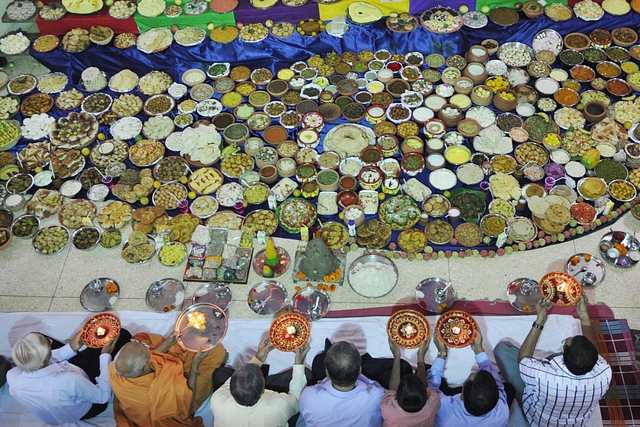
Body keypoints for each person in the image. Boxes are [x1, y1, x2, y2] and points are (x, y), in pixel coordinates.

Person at [494, 295, 612, 427]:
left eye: (565, 343)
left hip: (534, 420)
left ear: (564, 357)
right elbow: (597, 354)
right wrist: (584, 315)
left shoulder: (543, 375)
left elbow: (524, 359)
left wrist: (540, 320)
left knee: (502, 350)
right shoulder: (604, 374)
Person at [7, 328, 128, 425]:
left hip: (66, 379)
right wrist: (105, 355)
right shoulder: (70, 381)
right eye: (48, 344)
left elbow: (40, 362)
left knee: (34, 335)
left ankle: (76, 351)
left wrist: (71, 347)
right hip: (90, 404)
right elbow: (103, 395)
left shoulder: (12, 376)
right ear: (46, 357)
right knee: (122, 335)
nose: (50, 343)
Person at [109, 331, 226, 427]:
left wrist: (168, 343)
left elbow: (151, 358)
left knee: (143, 338)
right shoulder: (161, 392)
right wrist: (195, 364)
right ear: (146, 366)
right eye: (146, 350)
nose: (149, 350)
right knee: (216, 352)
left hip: (165, 383)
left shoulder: (114, 368)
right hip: (176, 407)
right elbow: (188, 402)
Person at [211, 337, 311, 427]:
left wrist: (259, 356)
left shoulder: (218, 400)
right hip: (276, 413)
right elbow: (297, 399)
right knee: (305, 374)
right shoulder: (279, 407)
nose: (240, 367)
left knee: (220, 373)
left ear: (231, 390)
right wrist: (299, 361)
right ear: (263, 390)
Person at [428, 328, 510, 427]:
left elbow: (431, 391)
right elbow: (498, 384)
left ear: (461, 395)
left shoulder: (443, 411)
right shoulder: (502, 411)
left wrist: (442, 353)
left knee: (430, 372)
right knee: (509, 389)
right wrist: (478, 349)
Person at [297, 340, 386, 427]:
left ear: (327, 373)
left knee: (319, 360)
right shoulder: (377, 396)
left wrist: (299, 363)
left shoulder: (309, 396)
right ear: (360, 370)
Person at [380, 337, 440, 427]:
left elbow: (392, 390)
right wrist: (421, 357)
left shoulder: (388, 407)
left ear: (396, 397)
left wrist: (396, 356)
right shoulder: (433, 402)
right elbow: (425, 388)